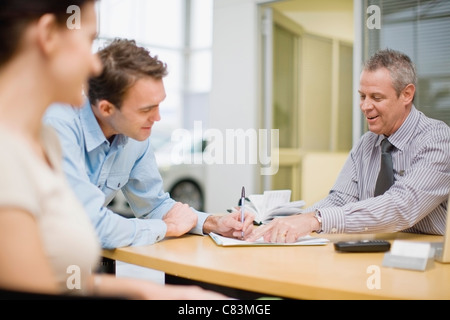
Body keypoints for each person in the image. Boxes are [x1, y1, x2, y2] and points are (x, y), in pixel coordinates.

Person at [0, 0, 229, 299]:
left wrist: (152, 292)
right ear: (48, 36)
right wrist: (164, 229)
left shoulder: (40, 141)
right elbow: (89, 225)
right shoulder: (22, 147)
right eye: (88, 40)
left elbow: (50, 281)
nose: (94, 66)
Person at [43, 38, 254, 250]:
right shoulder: (58, 126)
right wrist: (166, 227)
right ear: (106, 109)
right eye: (146, 109)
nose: (158, 117)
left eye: (159, 105)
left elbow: (154, 204)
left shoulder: (134, 136)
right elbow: (89, 225)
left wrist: (214, 223)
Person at [247, 48, 450, 243]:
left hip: (430, 257)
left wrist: (316, 220)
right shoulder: (366, 144)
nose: (365, 106)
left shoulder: (437, 139)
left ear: (406, 94)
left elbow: (401, 206)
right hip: (378, 248)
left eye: (376, 97)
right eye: (362, 96)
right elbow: (341, 200)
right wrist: (292, 222)